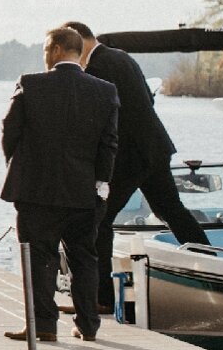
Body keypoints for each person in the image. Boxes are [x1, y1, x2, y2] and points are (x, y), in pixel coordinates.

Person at [1, 25, 119, 342]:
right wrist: (101, 184)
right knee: (84, 258)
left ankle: (43, 325)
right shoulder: (105, 91)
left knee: (39, 258)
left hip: (35, 192)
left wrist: (19, 168)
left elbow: (9, 131)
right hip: (84, 193)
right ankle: (88, 325)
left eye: (44, 50)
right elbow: (108, 145)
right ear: (77, 52)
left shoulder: (30, 84)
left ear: (53, 50)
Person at [66, 21, 213, 270]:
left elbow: (101, 118)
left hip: (129, 156)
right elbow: (148, 99)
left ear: (78, 42)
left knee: (99, 220)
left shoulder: (97, 67)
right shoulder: (123, 58)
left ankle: (100, 295)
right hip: (155, 147)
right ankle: (211, 264)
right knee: (172, 211)